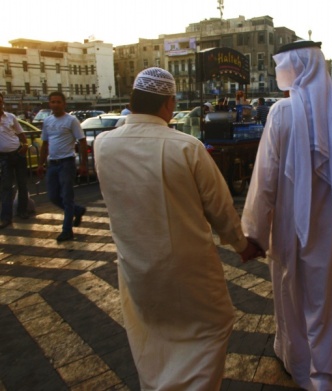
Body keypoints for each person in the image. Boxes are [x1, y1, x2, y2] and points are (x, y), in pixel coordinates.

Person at [94, 67, 263, 391]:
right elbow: (220, 208)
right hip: (189, 269)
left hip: (136, 269)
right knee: (212, 326)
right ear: (168, 103)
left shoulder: (103, 144)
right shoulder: (186, 147)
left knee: (151, 333)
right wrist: (242, 246)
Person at [241, 41, 332, 390]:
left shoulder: (282, 114)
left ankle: (300, 364)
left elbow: (265, 180)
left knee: (295, 296)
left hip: (293, 231)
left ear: (296, 66)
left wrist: (254, 233)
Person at [37, 92, 88, 242]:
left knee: (67, 197)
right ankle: (77, 210)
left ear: (64, 104)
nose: (56, 105)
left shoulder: (71, 120)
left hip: (67, 163)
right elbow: (45, 144)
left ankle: (67, 230)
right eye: (53, 102)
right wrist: (40, 164)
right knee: (53, 196)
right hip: (52, 163)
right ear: (49, 104)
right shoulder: (47, 121)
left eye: (59, 102)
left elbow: (82, 142)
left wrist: (83, 163)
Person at [0, 93, 30, 228]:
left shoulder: (10, 117)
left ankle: (22, 211)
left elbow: (21, 133)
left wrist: (25, 146)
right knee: (6, 187)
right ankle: (6, 217)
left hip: (17, 155)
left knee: (22, 184)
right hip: (3, 157)